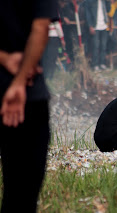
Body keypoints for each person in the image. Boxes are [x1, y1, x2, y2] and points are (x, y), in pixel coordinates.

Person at [0, 0, 57, 212]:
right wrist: (21, 78)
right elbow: (40, 28)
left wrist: (5, 59)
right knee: (22, 195)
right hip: (27, 99)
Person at [85, 0, 109, 71]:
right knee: (95, 46)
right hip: (95, 26)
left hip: (104, 26)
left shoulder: (104, 2)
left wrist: (108, 2)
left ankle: (102, 63)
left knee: (103, 45)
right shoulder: (90, 2)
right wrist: (90, 26)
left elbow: (109, 9)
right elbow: (88, 15)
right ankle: (95, 64)